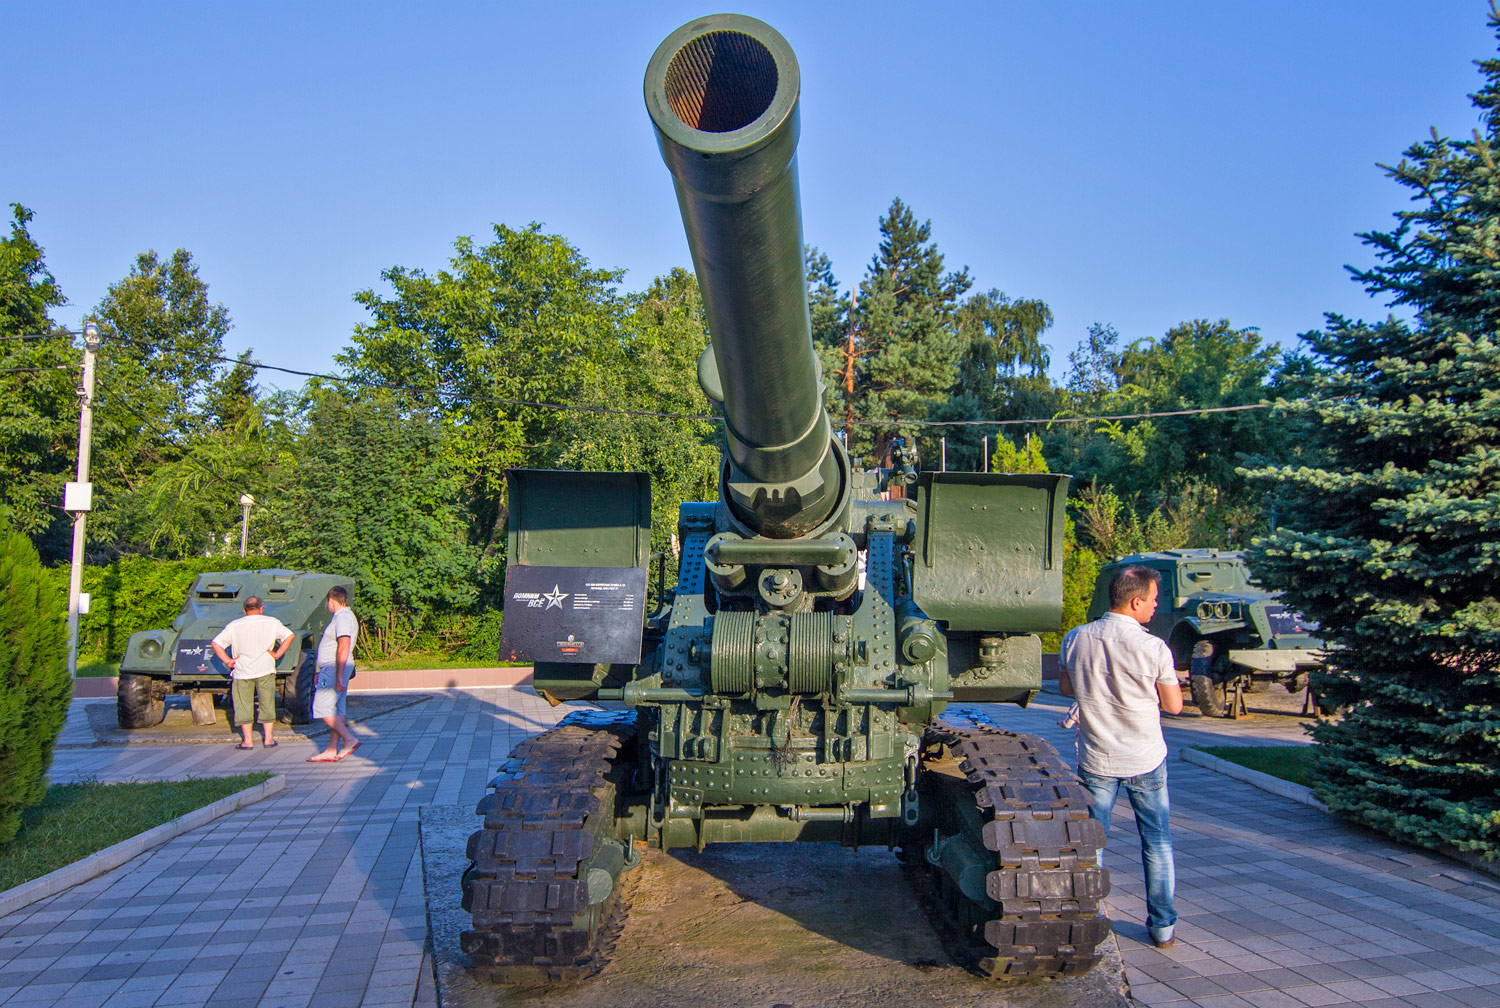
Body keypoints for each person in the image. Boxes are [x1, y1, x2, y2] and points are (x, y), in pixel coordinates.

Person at [1058, 565, 1184, 949]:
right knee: (1157, 841)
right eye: (1153, 600)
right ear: (1135, 601)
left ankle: (1088, 916)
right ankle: (1162, 926)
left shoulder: (1077, 637)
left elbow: (1067, 687)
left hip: (1097, 757)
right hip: (1145, 757)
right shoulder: (1153, 647)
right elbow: (1174, 706)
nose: (1155, 606)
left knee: (1093, 842)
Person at [211, 595, 294, 749]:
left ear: (244, 609)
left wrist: (228, 660)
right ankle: (268, 739)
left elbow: (216, 643)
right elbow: (290, 635)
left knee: (243, 705)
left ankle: (247, 741)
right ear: (261, 608)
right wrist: (277, 654)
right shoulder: (272, 622)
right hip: (265, 668)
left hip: (242, 670)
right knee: (267, 703)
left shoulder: (234, 625)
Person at [307, 585, 361, 762]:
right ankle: (331, 749)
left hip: (334, 667)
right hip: (331, 667)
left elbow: (344, 645)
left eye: (327, 602)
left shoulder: (343, 617)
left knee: (321, 707)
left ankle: (349, 739)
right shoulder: (343, 617)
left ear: (331, 601)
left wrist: (338, 674)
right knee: (336, 709)